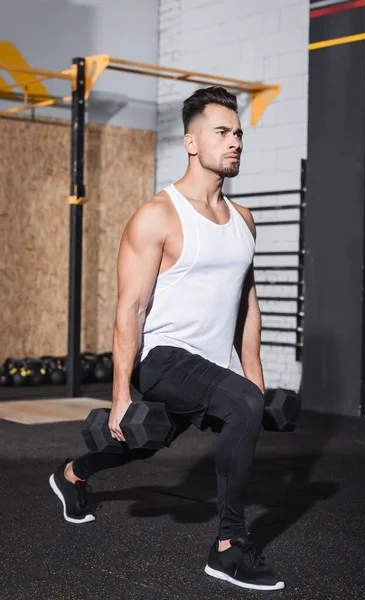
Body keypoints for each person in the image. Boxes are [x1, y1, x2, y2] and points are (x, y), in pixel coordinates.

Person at [49, 86, 285, 592]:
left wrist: (257, 382)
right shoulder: (158, 215)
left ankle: (72, 474)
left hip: (208, 364)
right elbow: (129, 310)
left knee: (143, 443)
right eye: (222, 132)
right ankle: (228, 547)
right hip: (160, 358)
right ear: (192, 142)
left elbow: (249, 308)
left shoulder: (245, 221)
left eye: (239, 133)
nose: (235, 142)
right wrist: (119, 397)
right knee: (235, 405)